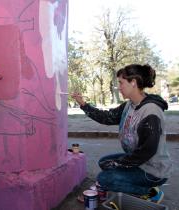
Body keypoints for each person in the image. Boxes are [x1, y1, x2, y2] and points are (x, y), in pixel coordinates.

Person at [72, 64, 172, 204]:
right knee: (104, 163)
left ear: (133, 83)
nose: (119, 87)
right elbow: (107, 117)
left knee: (104, 178)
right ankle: (134, 184)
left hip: (153, 169)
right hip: (139, 161)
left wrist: (119, 164)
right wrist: (83, 104)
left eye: (121, 82)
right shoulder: (129, 105)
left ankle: (149, 192)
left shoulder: (151, 112)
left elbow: (147, 151)